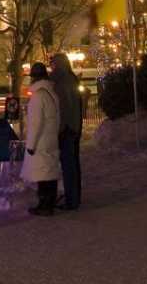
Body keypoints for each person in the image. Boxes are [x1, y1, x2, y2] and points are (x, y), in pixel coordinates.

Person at [20, 62, 61, 216]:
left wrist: (31, 145)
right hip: (51, 138)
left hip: (40, 141)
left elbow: (36, 123)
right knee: (50, 172)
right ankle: (49, 203)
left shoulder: (38, 96)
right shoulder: (52, 94)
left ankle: (44, 205)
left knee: (42, 174)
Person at [50, 52, 82, 210]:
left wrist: (60, 128)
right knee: (72, 164)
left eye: (53, 64)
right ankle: (74, 197)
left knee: (68, 165)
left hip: (66, 128)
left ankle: (72, 199)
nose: (52, 67)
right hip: (73, 127)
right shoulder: (71, 79)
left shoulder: (61, 81)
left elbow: (63, 107)